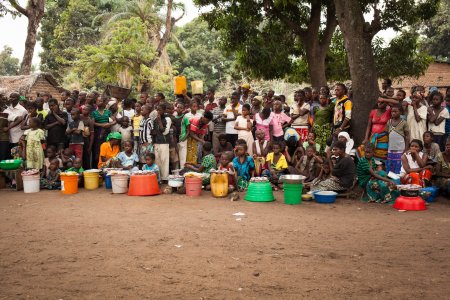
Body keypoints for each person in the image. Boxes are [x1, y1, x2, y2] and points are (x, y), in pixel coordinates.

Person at [91, 96, 115, 168]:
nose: (100, 102)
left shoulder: (108, 112)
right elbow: (93, 123)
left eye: (101, 101)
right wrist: (102, 125)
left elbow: (114, 121)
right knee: (97, 150)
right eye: (98, 101)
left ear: (104, 103)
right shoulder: (94, 113)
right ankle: (97, 167)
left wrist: (109, 124)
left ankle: (108, 166)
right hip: (98, 132)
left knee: (107, 148)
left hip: (107, 132)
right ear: (96, 102)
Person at [386, 105, 409, 174]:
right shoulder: (389, 122)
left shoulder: (404, 123)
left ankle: (397, 179)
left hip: (400, 149)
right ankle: (389, 178)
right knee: (390, 164)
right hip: (391, 148)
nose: (393, 113)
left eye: (395, 111)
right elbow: (387, 135)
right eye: (392, 111)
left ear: (400, 112)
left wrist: (406, 149)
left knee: (399, 165)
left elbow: (407, 137)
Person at [152, 103, 172, 181]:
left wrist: (160, 121)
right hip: (157, 143)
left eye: (159, 110)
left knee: (164, 161)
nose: (158, 111)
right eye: (157, 110)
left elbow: (165, 132)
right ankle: (159, 178)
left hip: (164, 143)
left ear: (164, 110)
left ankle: (165, 178)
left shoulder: (167, 119)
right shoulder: (155, 120)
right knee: (157, 162)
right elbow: (154, 132)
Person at [80, 105, 94, 169]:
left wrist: (90, 146)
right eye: (83, 109)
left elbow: (92, 134)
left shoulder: (90, 120)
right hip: (78, 139)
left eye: (86, 109)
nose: (84, 111)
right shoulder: (79, 117)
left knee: (86, 158)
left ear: (89, 111)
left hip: (86, 140)